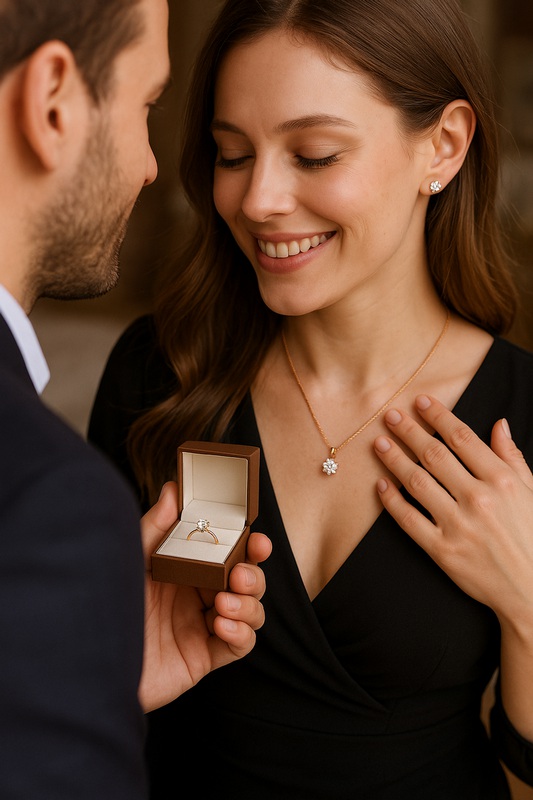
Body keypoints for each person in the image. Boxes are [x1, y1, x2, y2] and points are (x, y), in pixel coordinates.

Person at [87, 0, 533, 796]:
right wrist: (102, 655)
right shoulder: (161, 375)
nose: (258, 200)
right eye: (231, 154)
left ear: (444, 144)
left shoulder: (522, 416)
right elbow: (75, 704)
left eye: (315, 155)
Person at [0, 0, 271, 797]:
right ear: (54, 101)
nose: (153, 165)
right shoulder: (51, 504)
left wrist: (82, 672)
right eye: (145, 104)